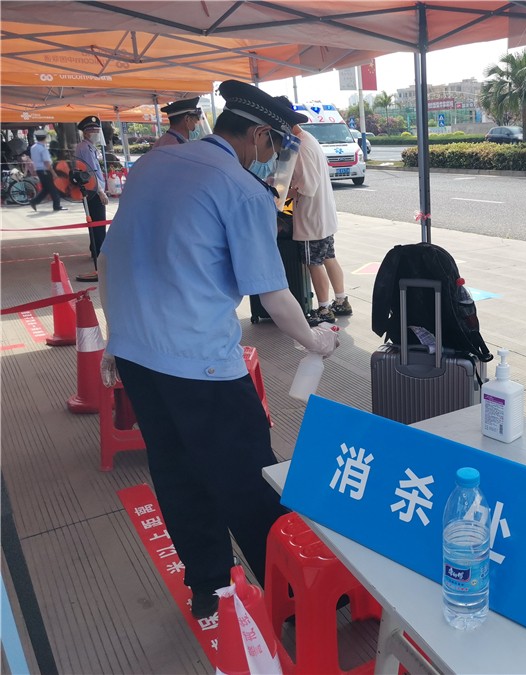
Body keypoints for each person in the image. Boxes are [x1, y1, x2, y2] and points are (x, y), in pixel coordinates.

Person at [98, 79, 338, 620]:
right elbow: (274, 294)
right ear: (259, 135)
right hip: (200, 364)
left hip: (138, 357)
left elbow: (110, 258)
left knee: (175, 471)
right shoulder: (242, 189)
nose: (276, 156)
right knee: (249, 478)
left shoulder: (151, 165)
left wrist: (114, 339)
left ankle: (208, 584)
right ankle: (294, 600)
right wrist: (315, 340)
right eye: (278, 144)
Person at [283, 103, 352, 323]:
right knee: (328, 256)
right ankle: (341, 300)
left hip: (311, 217)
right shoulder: (307, 139)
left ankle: (323, 310)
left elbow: (307, 186)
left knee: (314, 262)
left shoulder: (301, 146)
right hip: (323, 214)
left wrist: (281, 193)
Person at [73, 116, 109, 283]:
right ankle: (99, 253)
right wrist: (101, 192)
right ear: (87, 133)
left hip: (92, 189)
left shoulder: (88, 147)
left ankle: (95, 249)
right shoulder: (85, 148)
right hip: (93, 190)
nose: (97, 133)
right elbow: (91, 171)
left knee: (95, 222)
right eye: (94, 131)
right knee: (98, 222)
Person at [28, 129, 65, 212]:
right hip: (45, 170)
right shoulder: (43, 148)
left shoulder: (33, 147)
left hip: (38, 170)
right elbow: (47, 162)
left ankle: (34, 201)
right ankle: (57, 205)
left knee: (46, 188)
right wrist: (53, 173)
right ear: (44, 138)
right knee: (53, 188)